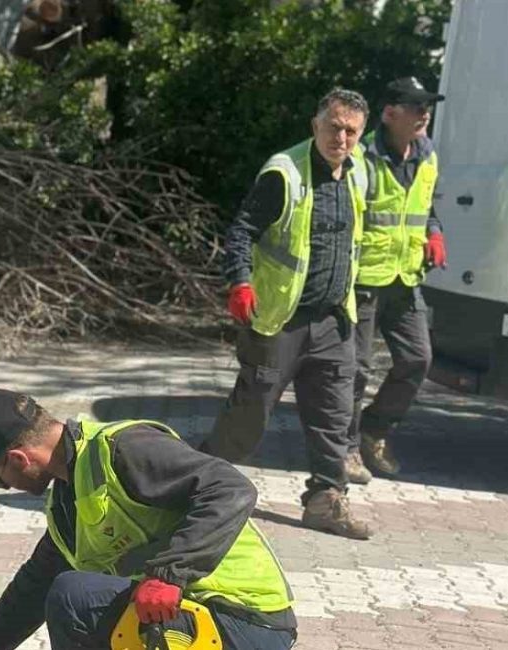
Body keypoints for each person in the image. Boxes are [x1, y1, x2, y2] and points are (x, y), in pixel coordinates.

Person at [0, 388, 297, 650]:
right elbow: (30, 591)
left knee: (73, 596)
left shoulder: (122, 449)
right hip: (191, 617)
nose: (4, 486)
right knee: (64, 589)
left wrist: (169, 574)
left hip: (247, 622)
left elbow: (231, 488)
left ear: (20, 459)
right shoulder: (69, 501)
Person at [200, 88, 373, 540]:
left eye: (351, 130)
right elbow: (241, 232)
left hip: (333, 319)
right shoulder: (285, 174)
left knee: (335, 415)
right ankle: (194, 483)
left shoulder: (359, 174)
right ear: (315, 125)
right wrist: (239, 281)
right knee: (250, 413)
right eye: (334, 127)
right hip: (280, 320)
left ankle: (326, 499)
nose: (341, 137)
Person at [344, 77, 447, 485]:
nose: (425, 114)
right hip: (365, 278)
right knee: (355, 370)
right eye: (416, 106)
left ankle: (375, 430)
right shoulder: (362, 156)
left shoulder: (427, 154)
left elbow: (426, 208)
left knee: (417, 359)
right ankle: (346, 449)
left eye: (428, 106)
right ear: (389, 114)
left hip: (405, 279)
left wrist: (435, 233)